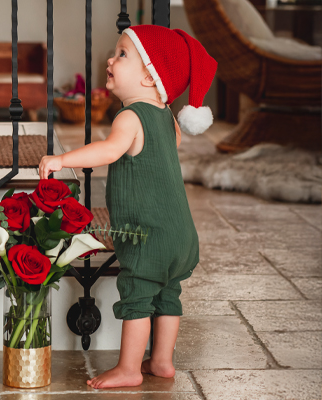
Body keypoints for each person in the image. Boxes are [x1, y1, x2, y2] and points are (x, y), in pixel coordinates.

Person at [38, 25, 217, 389]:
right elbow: (169, 149)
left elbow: (109, 151)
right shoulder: (166, 118)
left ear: (150, 77)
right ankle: (163, 362)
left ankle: (129, 368)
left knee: (138, 295)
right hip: (181, 234)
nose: (111, 59)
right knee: (169, 294)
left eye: (122, 54)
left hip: (147, 233)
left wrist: (63, 158)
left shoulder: (130, 116)